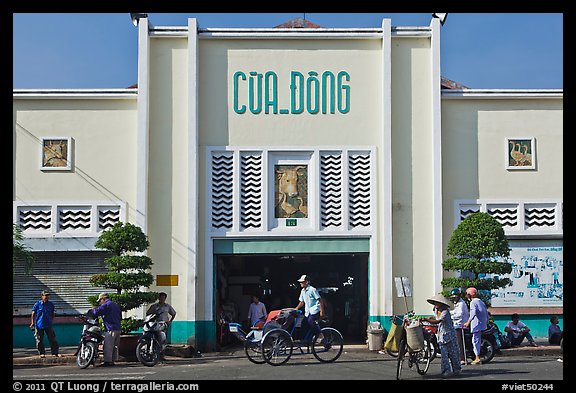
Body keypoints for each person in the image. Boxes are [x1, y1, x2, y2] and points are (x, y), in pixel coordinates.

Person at [423, 294, 462, 378]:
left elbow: (438, 321)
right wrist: (428, 318)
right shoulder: (436, 310)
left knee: (453, 353)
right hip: (441, 335)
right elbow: (435, 318)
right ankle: (446, 371)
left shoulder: (445, 312)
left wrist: (427, 320)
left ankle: (457, 369)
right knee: (444, 354)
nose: (435, 305)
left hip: (449, 334)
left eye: (437, 303)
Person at [92, 293, 122, 366]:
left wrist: (91, 311)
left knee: (108, 345)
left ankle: (108, 361)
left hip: (110, 328)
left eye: (100, 301)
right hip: (117, 327)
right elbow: (120, 316)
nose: (100, 302)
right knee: (114, 346)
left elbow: (97, 311)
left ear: (103, 299)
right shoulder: (115, 305)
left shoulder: (107, 304)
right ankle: (113, 360)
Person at [30, 290, 61, 358]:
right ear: (42, 296)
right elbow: (33, 313)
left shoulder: (50, 304)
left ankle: (55, 352)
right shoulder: (37, 304)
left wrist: (51, 320)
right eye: (45, 295)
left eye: (48, 295)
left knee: (52, 339)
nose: (46, 297)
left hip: (48, 324)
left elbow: (52, 313)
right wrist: (32, 323)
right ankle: (41, 353)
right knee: (39, 340)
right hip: (39, 325)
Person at [294, 274, 324, 342]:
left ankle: (321, 335)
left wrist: (322, 311)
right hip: (308, 311)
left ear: (306, 282)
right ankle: (305, 340)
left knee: (311, 321)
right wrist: (296, 308)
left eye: (302, 282)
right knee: (303, 323)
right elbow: (302, 302)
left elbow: (320, 300)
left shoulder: (312, 289)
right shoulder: (302, 291)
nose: (300, 283)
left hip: (315, 310)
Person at [463, 287, 488, 364]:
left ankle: (477, 358)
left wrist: (468, 322)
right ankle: (477, 356)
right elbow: (486, 313)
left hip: (476, 324)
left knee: (475, 341)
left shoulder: (473, 302)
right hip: (481, 324)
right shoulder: (481, 301)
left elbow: (473, 313)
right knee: (477, 340)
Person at [449, 288, 469, 365]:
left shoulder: (461, 303)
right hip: (456, 324)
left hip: (460, 325)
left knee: (458, 342)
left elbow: (459, 314)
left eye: (455, 297)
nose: (454, 299)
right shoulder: (457, 303)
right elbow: (454, 312)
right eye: (453, 297)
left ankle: (462, 358)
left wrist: (450, 316)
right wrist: (449, 313)